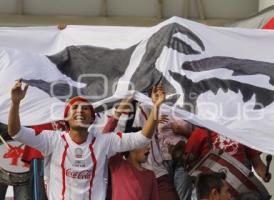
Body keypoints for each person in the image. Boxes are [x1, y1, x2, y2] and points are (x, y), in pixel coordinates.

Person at [7, 80, 165, 200]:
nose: (80, 111)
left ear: (92, 119)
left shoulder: (104, 141)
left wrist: (156, 106)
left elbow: (143, 137)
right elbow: (16, 132)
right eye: (74, 108)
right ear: (67, 118)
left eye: (85, 109)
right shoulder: (52, 139)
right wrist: (15, 103)